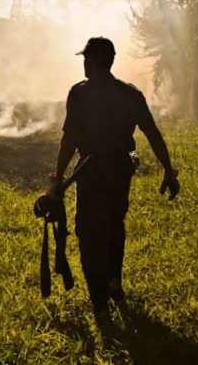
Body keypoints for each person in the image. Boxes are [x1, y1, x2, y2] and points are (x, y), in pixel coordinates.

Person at [49, 37, 180, 324]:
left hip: (91, 171)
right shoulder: (130, 94)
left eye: (86, 58)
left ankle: (100, 304)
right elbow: (152, 133)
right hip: (120, 171)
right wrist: (168, 170)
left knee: (88, 232)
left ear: (94, 60)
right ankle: (113, 282)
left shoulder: (80, 93)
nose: (84, 64)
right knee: (113, 226)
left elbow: (69, 139)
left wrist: (58, 177)